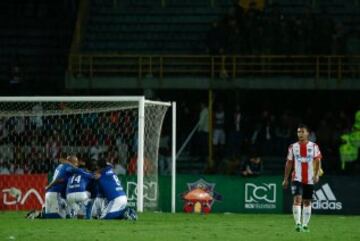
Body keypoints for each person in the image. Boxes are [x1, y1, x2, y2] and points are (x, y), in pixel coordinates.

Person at [282, 124, 322, 232]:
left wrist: (316, 174)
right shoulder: (293, 147)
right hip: (296, 178)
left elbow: (318, 160)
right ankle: (298, 224)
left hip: (309, 178)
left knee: (307, 202)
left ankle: (305, 225)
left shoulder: (314, 146)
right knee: (297, 199)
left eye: (302, 132)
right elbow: (289, 163)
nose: (300, 134)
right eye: (298, 132)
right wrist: (285, 178)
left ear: (307, 133)